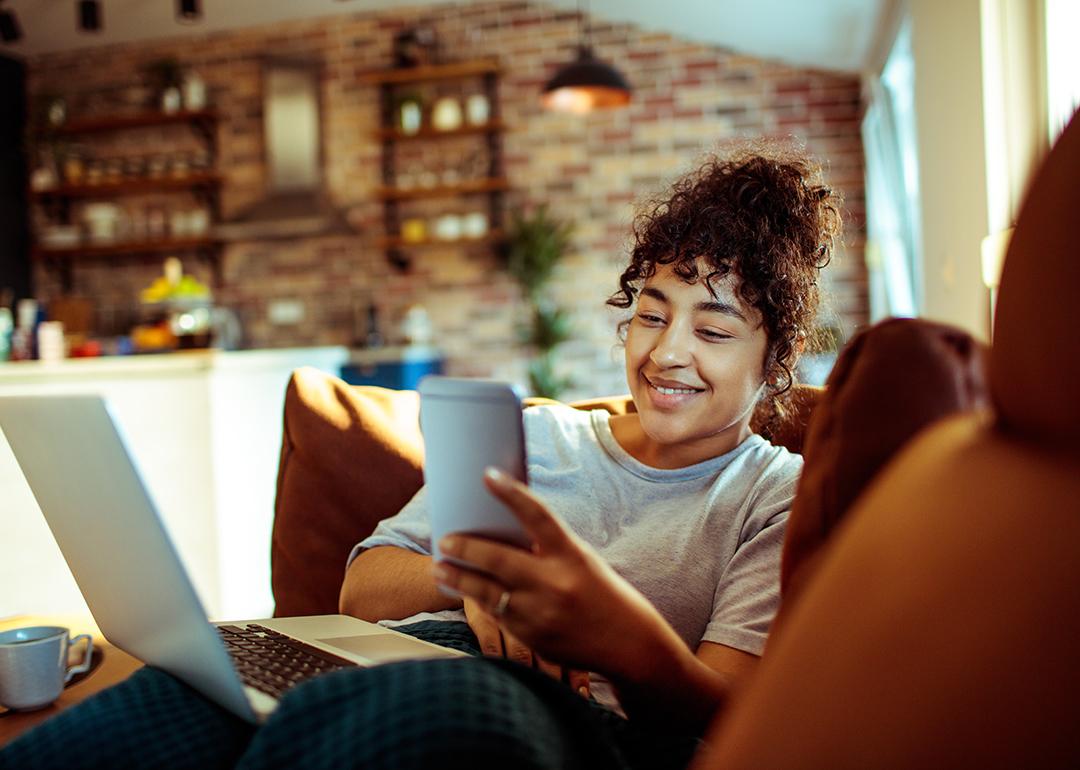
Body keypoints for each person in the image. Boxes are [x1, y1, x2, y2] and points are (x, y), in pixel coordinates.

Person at [0, 141, 840, 770]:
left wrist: (611, 633)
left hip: (562, 718)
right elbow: (361, 587)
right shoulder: (537, 435)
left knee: (429, 715)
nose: (667, 353)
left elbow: (732, 717)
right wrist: (482, 581)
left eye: (715, 329)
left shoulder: (775, 496)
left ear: (774, 360)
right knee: (186, 685)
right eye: (652, 315)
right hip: (394, 655)